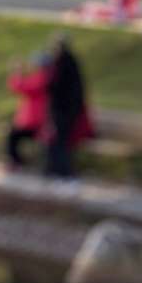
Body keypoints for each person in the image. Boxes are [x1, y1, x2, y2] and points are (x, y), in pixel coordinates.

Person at [43, 36, 93, 179]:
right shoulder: (68, 62)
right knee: (57, 140)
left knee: (59, 141)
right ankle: (55, 169)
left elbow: (56, 87)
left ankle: (62, 171)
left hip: (63, 110)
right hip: (65, 110)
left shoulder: (63, 64)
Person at [5, 52, 51, 169]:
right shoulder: (46, 77)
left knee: (12, 136)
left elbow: (19, 86)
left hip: (36, 122)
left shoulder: (43, 78)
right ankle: (18, 161)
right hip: (39, 120)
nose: (33, 66)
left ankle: (16, 162)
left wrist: (17, 72)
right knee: (14, 134)